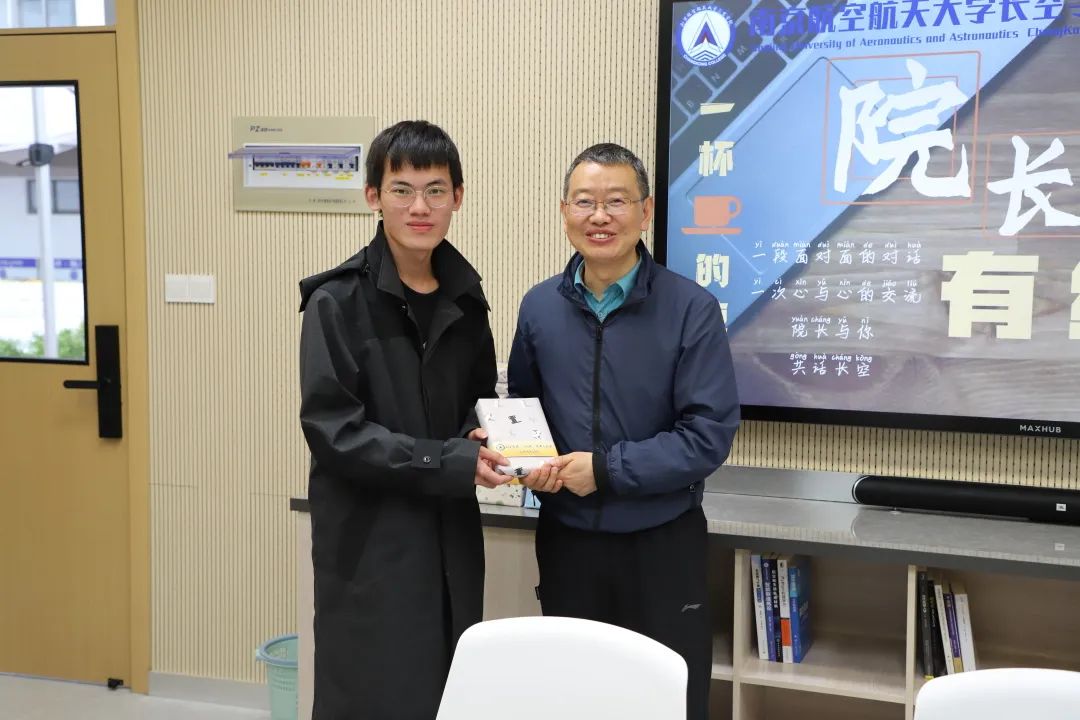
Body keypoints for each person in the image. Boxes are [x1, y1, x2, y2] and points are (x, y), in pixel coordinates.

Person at [508, 143, 741, 720]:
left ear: (646, 211)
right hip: (567, 543)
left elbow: (707, 435)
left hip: (661, 543)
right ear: (565, 211)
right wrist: (523, 462)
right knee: (574, 699)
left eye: (616, 201)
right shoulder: (539, 308)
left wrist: (605, 470)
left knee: (666, 700)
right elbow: (523, 410)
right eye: (584, 201)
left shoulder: (690, 308)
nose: (600, 216)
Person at [298, 120, 508, 720]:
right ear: (373, 196)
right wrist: (448, 459)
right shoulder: (336, 302)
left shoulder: (466, 299)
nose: (420, 207)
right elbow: (336, 432)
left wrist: (480, 436)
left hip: (451, 542)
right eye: (402, 190)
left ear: (458, 198)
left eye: (436, 190)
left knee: (452, 695)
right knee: (373, 698)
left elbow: (476, 402)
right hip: (370, 547)